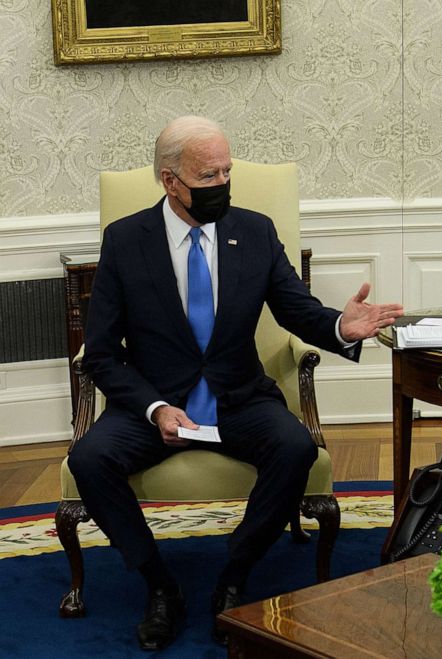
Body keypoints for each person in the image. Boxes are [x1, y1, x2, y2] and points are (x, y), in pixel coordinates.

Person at [68, 116, 404, 650]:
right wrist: (155, 408)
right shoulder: (127, 240)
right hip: (155, 403)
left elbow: (296, 308)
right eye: (208, 176)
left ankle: (234, 573)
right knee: (89, 460)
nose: (222, 184)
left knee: (295, 449)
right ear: (169, 180)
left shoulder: (255, 229)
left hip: (239, 396)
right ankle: (160, 585)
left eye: (227, 171)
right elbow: (102, 355)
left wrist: (342, 326)